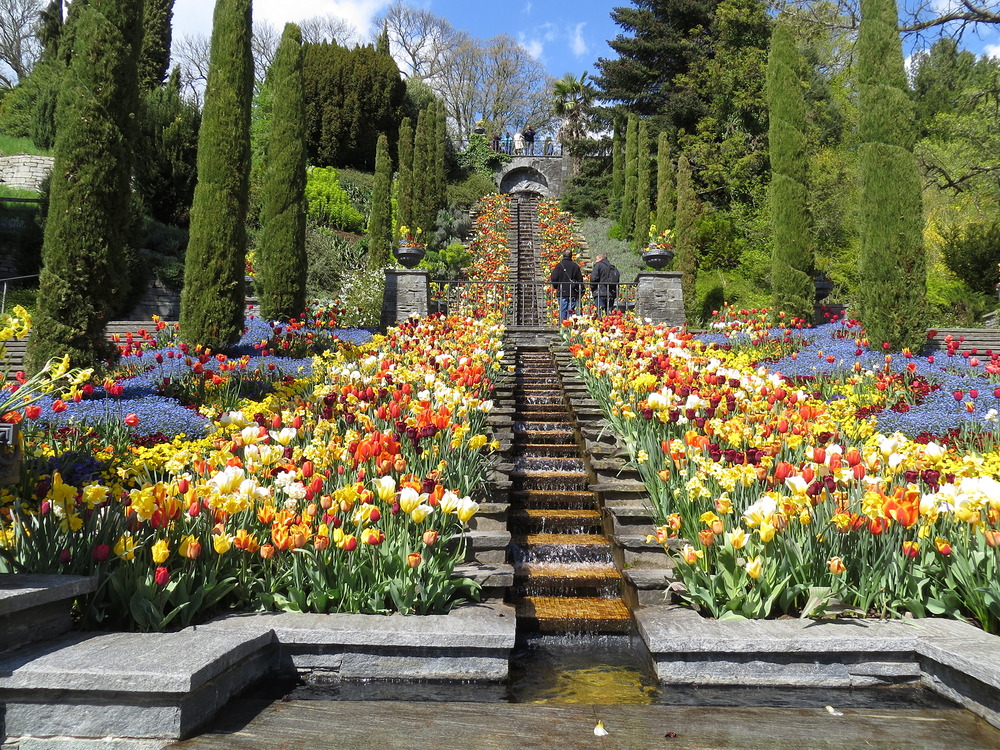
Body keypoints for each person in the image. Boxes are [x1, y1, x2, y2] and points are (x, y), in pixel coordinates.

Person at [550, 249, 584, 322]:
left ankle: (563, 325)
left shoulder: (559, 266)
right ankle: (569, 325)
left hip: (562, 291)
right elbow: (580, 280)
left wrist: (557, 287)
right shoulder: (575, 266)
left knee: (563, 309)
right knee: (570, 310)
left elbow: (554, 278)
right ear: (571, 256)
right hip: (572, 292)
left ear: (563, 255)